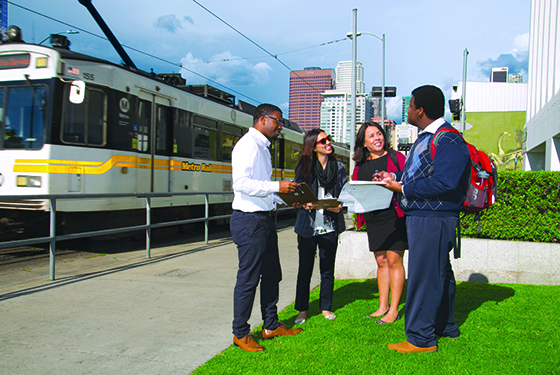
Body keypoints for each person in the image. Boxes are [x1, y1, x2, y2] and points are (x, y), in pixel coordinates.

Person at [376, 85, 470, 353]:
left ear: (421, 110)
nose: (407, 109)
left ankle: (420, 338)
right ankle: (445, 326)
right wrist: (395, 180)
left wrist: (402, 189)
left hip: (434, 218)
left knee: (424, 276)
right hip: (423, 216)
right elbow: (420, 176)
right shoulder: (425, 138)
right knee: (439, 273)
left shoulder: (448, 139)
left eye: (410, 104)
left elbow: (445, 182)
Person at [230, 104, 303, 352]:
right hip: (249, 221)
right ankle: (240, 333)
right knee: (248, 279)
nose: (280, 127)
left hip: (263, 219)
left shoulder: (262, 146)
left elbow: (262, 189)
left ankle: (270, 325)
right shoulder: (247, 145)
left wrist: (291, 197)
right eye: (278, 122)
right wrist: (276, 187)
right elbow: (240, 183)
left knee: (272, 274)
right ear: (262, 119)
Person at [352, 122, 407, 324]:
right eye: (372, 136)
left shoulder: (396, 158)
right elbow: (357, 191)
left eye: (379, 134)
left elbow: (408, 182)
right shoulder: (360, 166)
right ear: (364, 143)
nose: (377, 138)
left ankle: (394, 310)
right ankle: (382, 307)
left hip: (395, 216)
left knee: (394, 261)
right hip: (374, 218)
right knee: (381, 262)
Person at [292, 129, 347, 325]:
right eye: (323, 141)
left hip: (330, 226)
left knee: (327, 269)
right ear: (313, 146)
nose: (328, 143)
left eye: (328, 139)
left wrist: (340, 207)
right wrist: (302, 202)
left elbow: (346, 196)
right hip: (308, 226)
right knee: (304, 270)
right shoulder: (305, 167)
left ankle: (326, 307)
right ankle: (302, 311)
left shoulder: (339, 167)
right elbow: (296, 194)